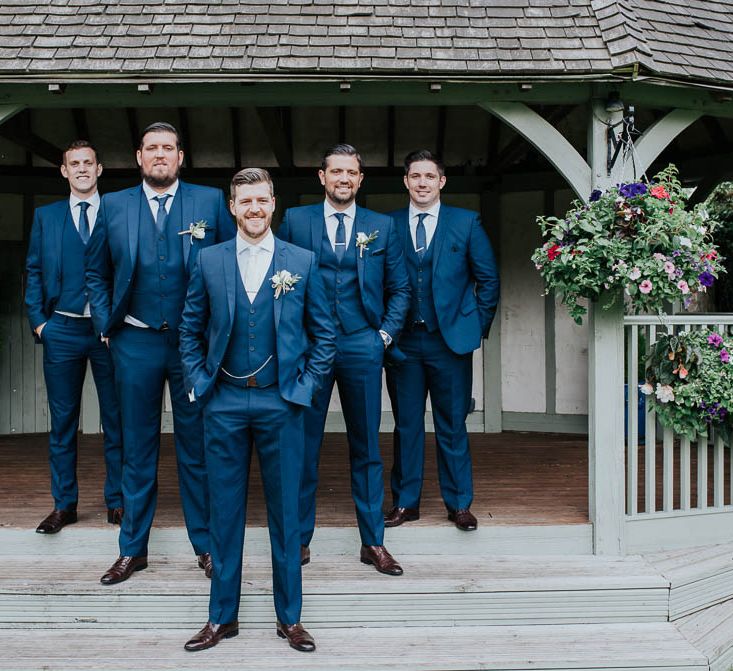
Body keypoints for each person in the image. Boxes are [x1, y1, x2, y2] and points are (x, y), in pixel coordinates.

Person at [179, 168, 335, 653]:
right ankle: (221, 617)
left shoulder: (302, 261)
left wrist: (303, 388)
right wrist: (199, 384)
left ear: (274, 205)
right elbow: (189, 330)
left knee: (287, 514)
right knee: (223, 512)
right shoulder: (209, 260)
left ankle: (290, 618)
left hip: (281, 403)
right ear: (232, 206)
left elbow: (325, 336)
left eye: (262, 200)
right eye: (245, 201)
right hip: (223, 403)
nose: (254, 209)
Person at [85, 121, 236, 585]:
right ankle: (133, 549)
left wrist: (217, 330)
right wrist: (107, 324)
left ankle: (206, 547)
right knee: (137, 447)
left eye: (168, 148)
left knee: (196, 449)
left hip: (192, 346)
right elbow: (95, 272)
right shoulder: (112, 205)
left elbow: (229, 260)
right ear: (138, 157)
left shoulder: (208, 202)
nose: (160, 155)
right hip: (135, 341)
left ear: (180, 157)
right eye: (152, 148)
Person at [277, 144, 409, 575]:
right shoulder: (297, 221)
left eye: (351, 172)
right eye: (336, 172)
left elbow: (401, 288)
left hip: (361, 345)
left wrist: (382, 336)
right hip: (311, 350)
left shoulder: (381, 226)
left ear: (360, 179)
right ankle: (297, 540)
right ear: (322, 177)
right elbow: (283, 283)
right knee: (303, 446)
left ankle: (372, 541)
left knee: (367, 447)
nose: (343, 179)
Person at [384, 150, 500, 531]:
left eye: (429, 176)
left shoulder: (466, 223)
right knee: (407, 426)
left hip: (449, 343)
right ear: (406, 181)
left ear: (441, 182)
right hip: (403, 343)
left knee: (452, 424)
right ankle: (406, 502)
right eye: (415, 176)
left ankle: (458, 504)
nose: (421, 183)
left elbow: (488, 280)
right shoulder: (390, 225)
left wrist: (473, 326)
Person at [25, 140, 123, 534]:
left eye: (88, 162)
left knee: (116, 420)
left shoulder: (118, 212)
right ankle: (64, 504)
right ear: (64, 171)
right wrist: (39, 322)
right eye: (74, 164)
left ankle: (117, 501)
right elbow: (32, 270)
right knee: (63, 421)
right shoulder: (46, 217)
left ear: (99, 169)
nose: (82, 168)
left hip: (108, 333)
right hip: (61, 328)